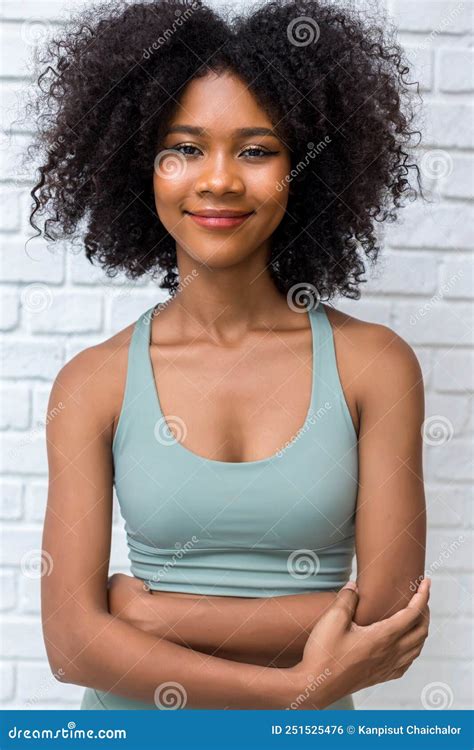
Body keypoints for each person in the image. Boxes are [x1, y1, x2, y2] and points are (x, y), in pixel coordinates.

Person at [33, 0, 429, 710]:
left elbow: (388, 614)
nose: (218, 179)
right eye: (184, 148)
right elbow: (72, 644)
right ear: (139, 168)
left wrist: (153, 614)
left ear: (303, 169)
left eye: (256, 150)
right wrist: (298, 688)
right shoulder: (92, 382)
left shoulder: (375, 366)